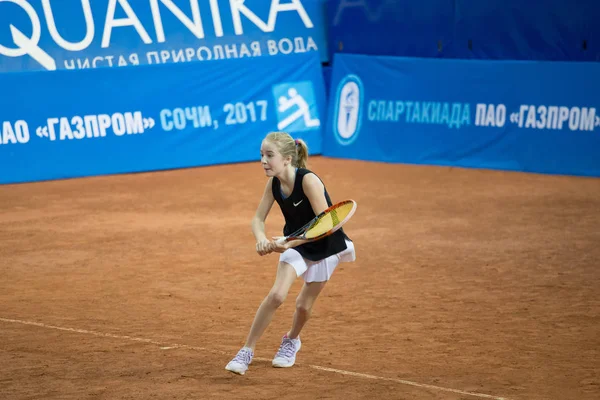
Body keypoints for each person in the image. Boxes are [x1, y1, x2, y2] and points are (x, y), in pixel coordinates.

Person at [225, 131, 356, 375]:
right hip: (296, 243)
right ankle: (246, 350)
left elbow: (325, 224)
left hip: (325, 246)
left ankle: (291, 340)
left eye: (269, 155)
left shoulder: (308, 181)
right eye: (261, 155)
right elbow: (257, 218)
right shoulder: (274, 183)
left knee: (303, 306)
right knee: (276, 295)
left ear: (287, 159)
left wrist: (290, 243)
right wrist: (261, 239)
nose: (263, 161)